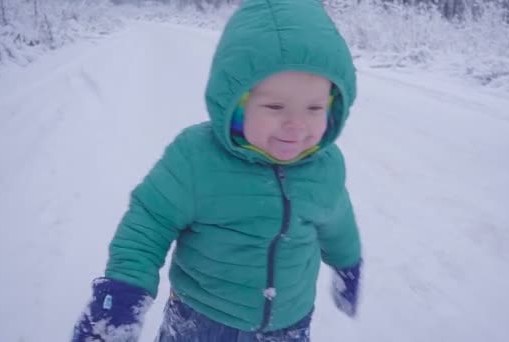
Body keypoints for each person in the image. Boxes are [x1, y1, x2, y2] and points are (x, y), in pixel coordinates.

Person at [72, 0, 362, 341]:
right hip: (202, 320)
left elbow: (337, 221)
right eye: (275, 106)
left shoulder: (325, 166)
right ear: (237, 102)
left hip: (289, 324)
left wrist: (348, 264)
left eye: (315, 107)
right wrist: (122, 292)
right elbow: (149, 221)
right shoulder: (197, 157)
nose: (296, 125)